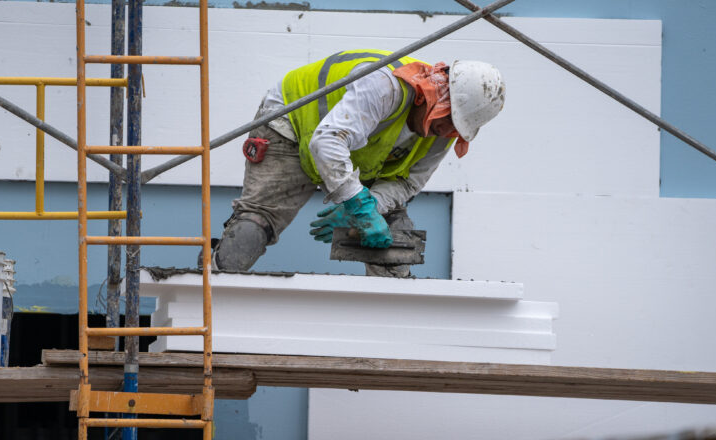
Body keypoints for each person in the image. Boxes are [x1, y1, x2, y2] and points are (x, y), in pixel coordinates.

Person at [212, 49, 505, 277]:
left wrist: (372, 207)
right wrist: (358, 204)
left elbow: (408, 182)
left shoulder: (444, 130)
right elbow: (326, 142)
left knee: (394, 235)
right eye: (447, 122)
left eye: (456, 129)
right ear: (434, 100)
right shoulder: (384, 85)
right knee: (254, 226)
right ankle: (209, 297)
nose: (446, 133)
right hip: (292, 123)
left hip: (356, 150)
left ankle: (387, 333)